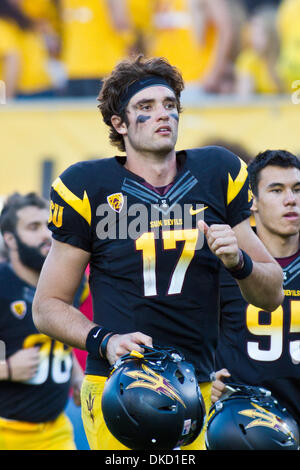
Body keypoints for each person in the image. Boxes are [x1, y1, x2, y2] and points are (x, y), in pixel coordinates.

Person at [32, 55, 284, 451]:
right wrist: (105, 340)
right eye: (145, 108)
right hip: (123, 386)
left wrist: (240, 262)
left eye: (169, 105)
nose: (163, 115)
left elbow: (271, 295)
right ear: (120, 123)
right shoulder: (89, 186)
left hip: (197, 386)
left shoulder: (217, 172)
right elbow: (47, 306)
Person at [212, 149, 300, 430]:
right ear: (252, 202)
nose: (291, 199)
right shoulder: (225, 263)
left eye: (298, 189)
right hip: (243, 424)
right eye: (276, 190)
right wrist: (204, 377)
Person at [0, 192, 84, 450]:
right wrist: (7, 370)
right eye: (33, 227)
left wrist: (77, 376)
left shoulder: (71, 281)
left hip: (55, 431)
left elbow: (57, 338)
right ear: (10, 239)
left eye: (48, 226)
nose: (46, 235)